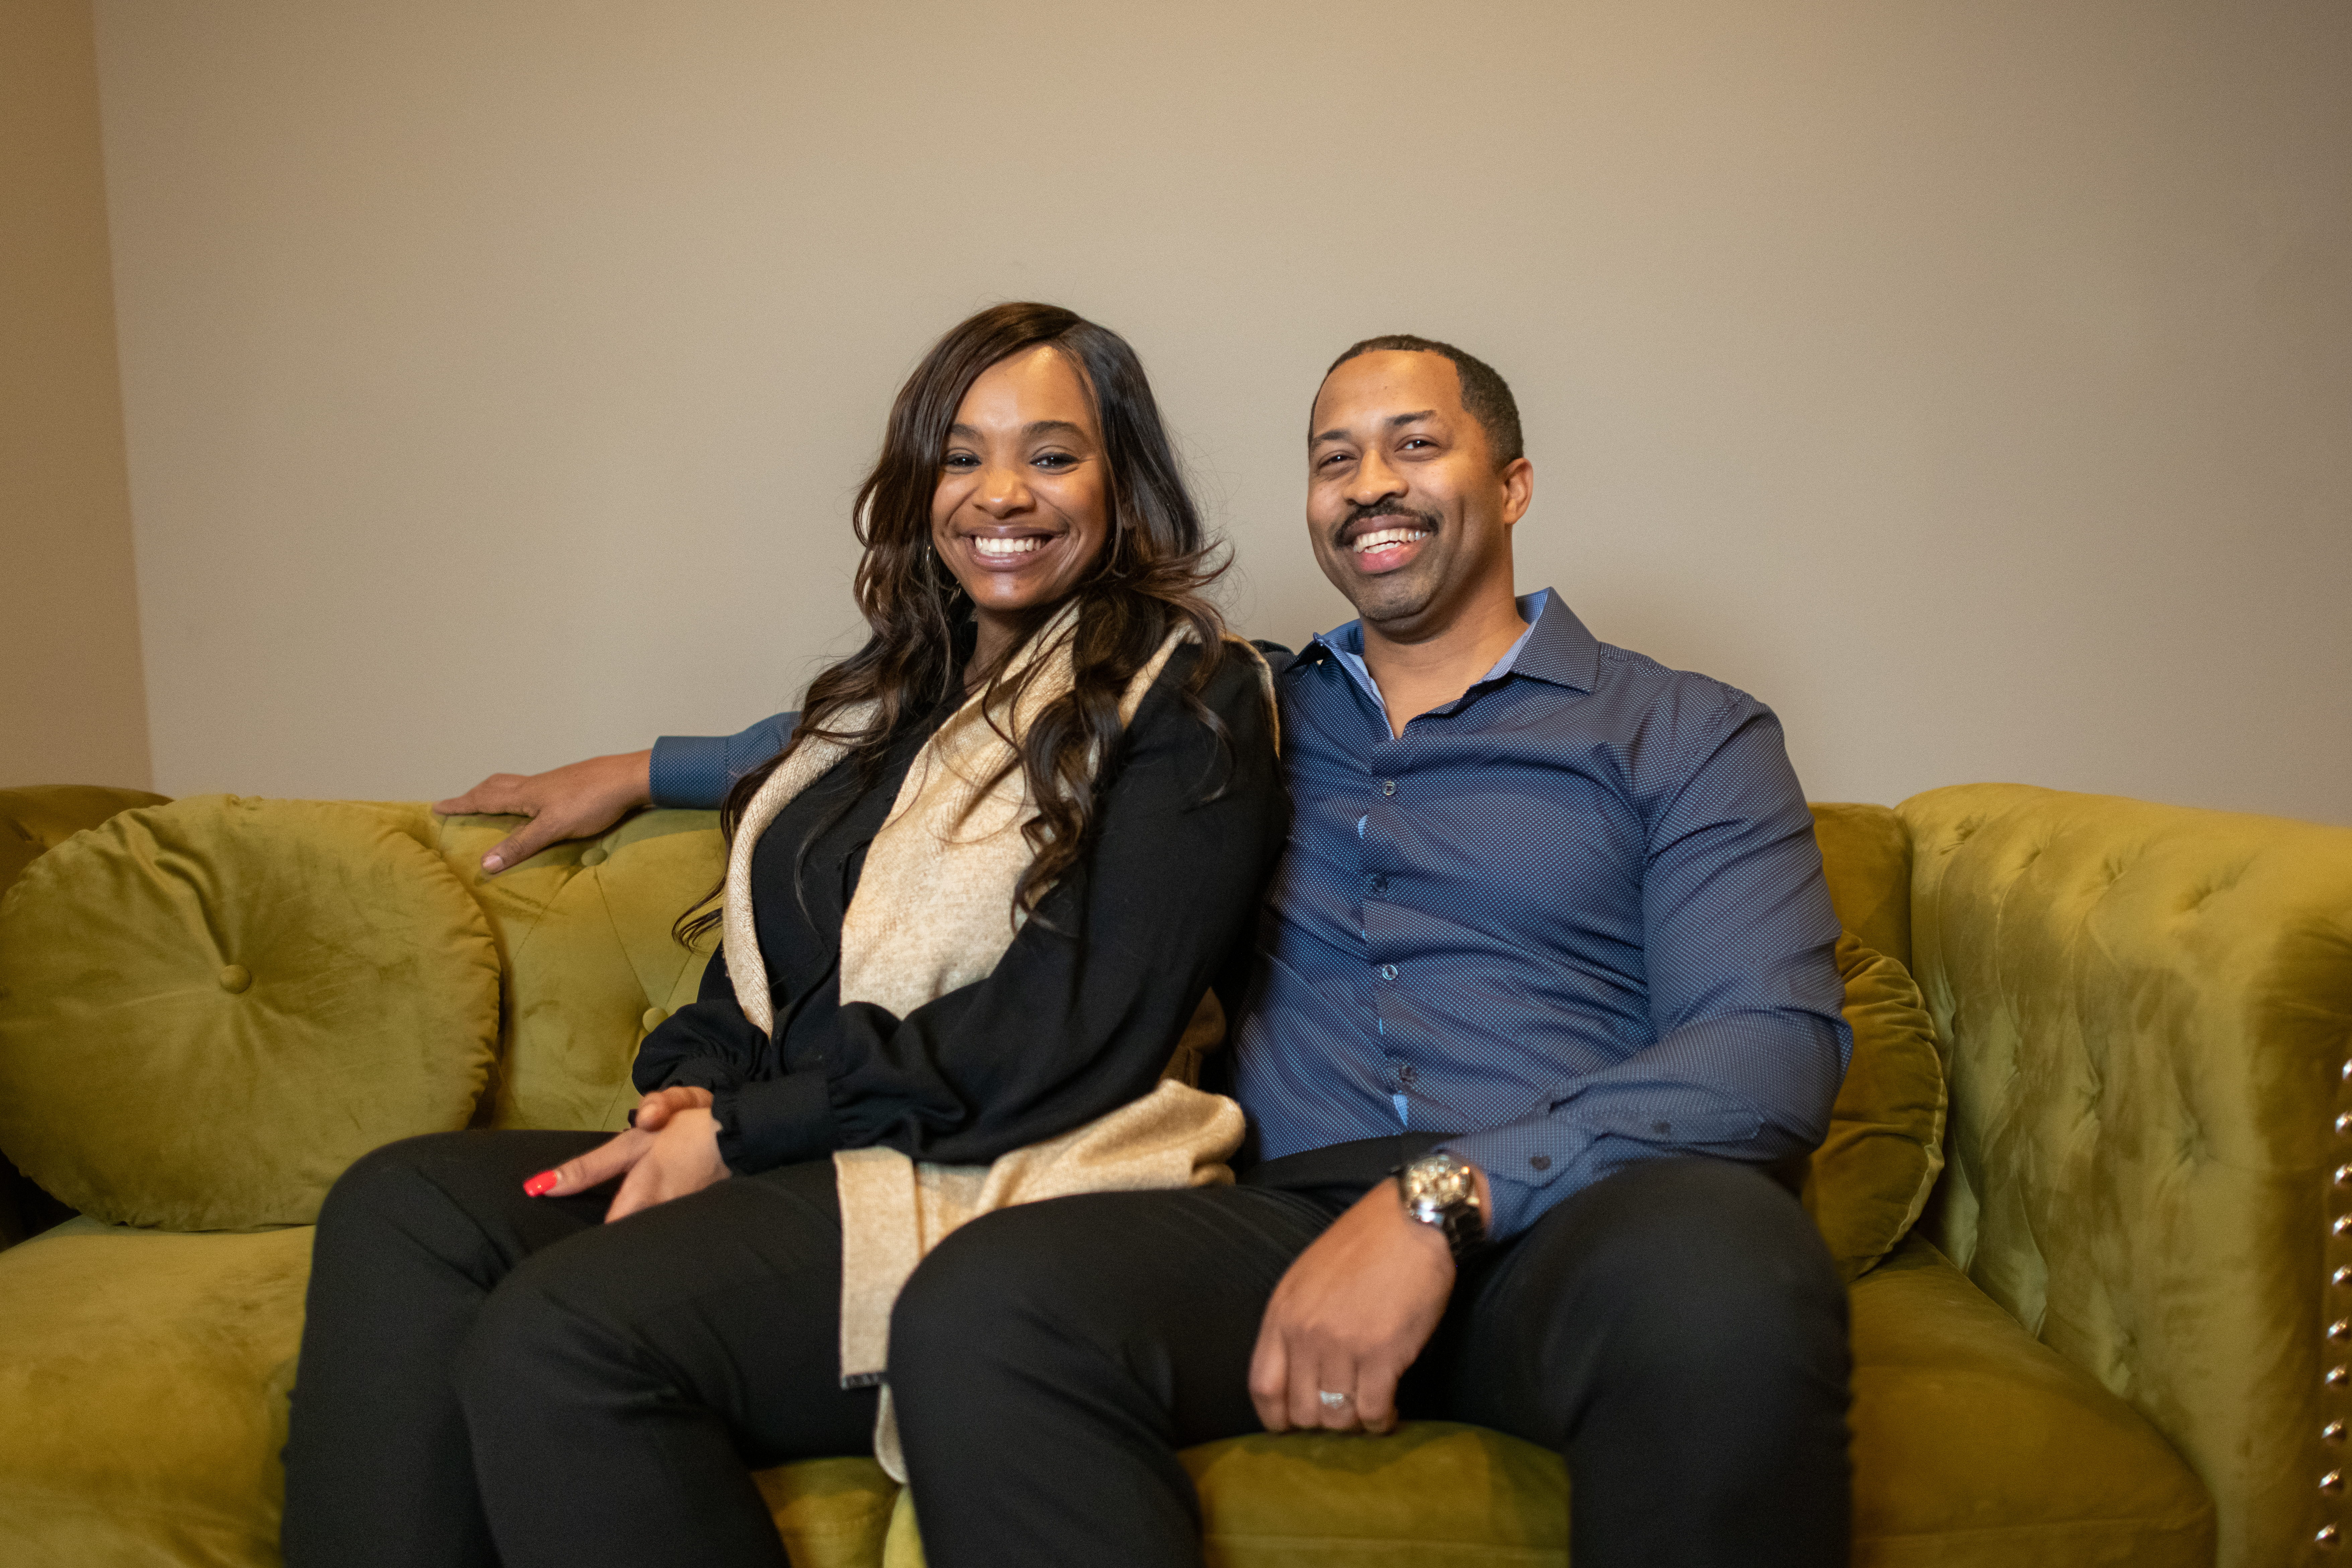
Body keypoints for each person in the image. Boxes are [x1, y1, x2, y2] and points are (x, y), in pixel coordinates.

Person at [448, 335, 1856, 1567]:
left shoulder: (1680, 730)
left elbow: (1767, 1046)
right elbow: (932, 740)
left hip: (1571, 1220)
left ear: (1515, 482)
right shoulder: (1235, 706)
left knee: (1728, 1257)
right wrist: (646, 764)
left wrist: (1448, 1194)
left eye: (1415, 445)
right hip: (1278, 1218)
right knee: (985, 1303)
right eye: (1334, 457)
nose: (1370, 481)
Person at [279, 301, 1286, 1568]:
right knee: (406, 1204)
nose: (1000, 494)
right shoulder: (869, 710)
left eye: (1051, 452)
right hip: (805, 1151)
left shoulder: (1190, 690)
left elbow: (1075, 1029)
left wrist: (745, 1131)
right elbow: (763, 969)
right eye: (962, 455)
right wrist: (695, 1082)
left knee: (563, 1331)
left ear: (1122, 480)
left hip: (993, 1174)